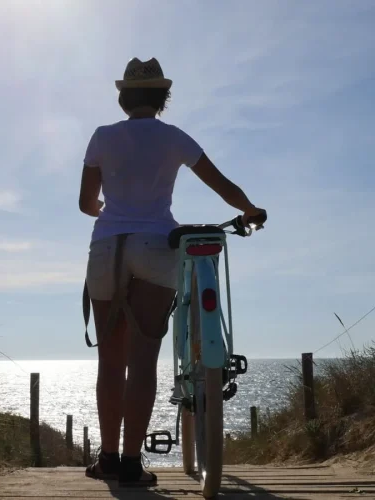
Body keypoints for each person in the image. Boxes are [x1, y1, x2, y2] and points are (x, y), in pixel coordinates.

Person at [78, 57, 265, 487]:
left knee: (110, 362)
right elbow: (223, 186)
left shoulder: (102, 137)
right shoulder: (174, 138)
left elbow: (87, 203)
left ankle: (106, 459)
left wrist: (109, 211)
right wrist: (250, 210)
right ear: (163, 99)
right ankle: (129, 463)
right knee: (143, 362)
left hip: (107, 247)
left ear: (124, 97)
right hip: (156, 247)